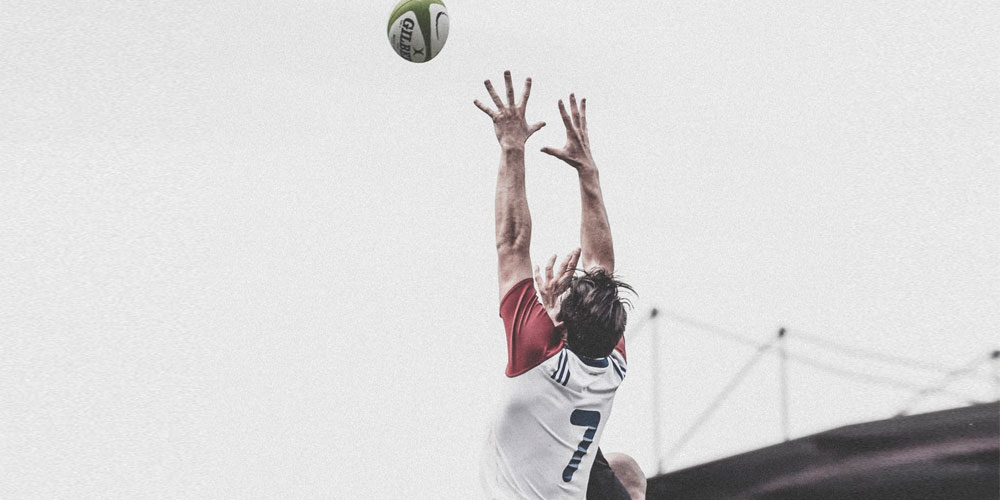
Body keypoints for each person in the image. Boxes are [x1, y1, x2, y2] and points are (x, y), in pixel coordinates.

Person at [475, 70, 646, 500]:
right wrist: (588, 173)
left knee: (619, 470)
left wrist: (512, 147)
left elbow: (511, 243)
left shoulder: (537, 356)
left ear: (562, 327)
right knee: (626, 472)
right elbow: (602, 266)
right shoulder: (611, 363)